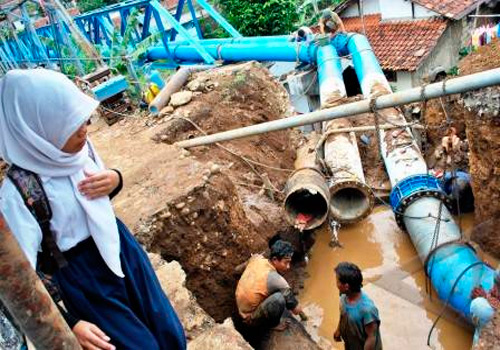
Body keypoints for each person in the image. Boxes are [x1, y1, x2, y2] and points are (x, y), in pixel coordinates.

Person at [0, 69, 186, 350]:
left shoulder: (79, 149)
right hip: (83, 275)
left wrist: (115, 179)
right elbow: (24, 276)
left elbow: (96, 195)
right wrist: (69, 321)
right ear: (37, 129)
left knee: (167, 330)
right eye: (70, 123)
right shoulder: (19, 193)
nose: (84, 127)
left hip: (120, 248)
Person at [235, 239, 303, 330]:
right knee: (279, 299)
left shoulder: (257, 258)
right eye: (286, 262)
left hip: (240, 303)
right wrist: (299, 307)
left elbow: (237, 270)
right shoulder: (277, 281)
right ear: (275, 259)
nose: (288, 266)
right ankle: (274, 325)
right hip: (248, 317)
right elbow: (296, 311)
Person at [334, 262, 382, 350]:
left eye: (337, 281)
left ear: (346, 286)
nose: (336, 283)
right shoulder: (343, 296)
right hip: (351, 343)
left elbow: (371, 337)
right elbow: (343, 315)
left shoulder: (367, 310)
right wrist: (339, 330)